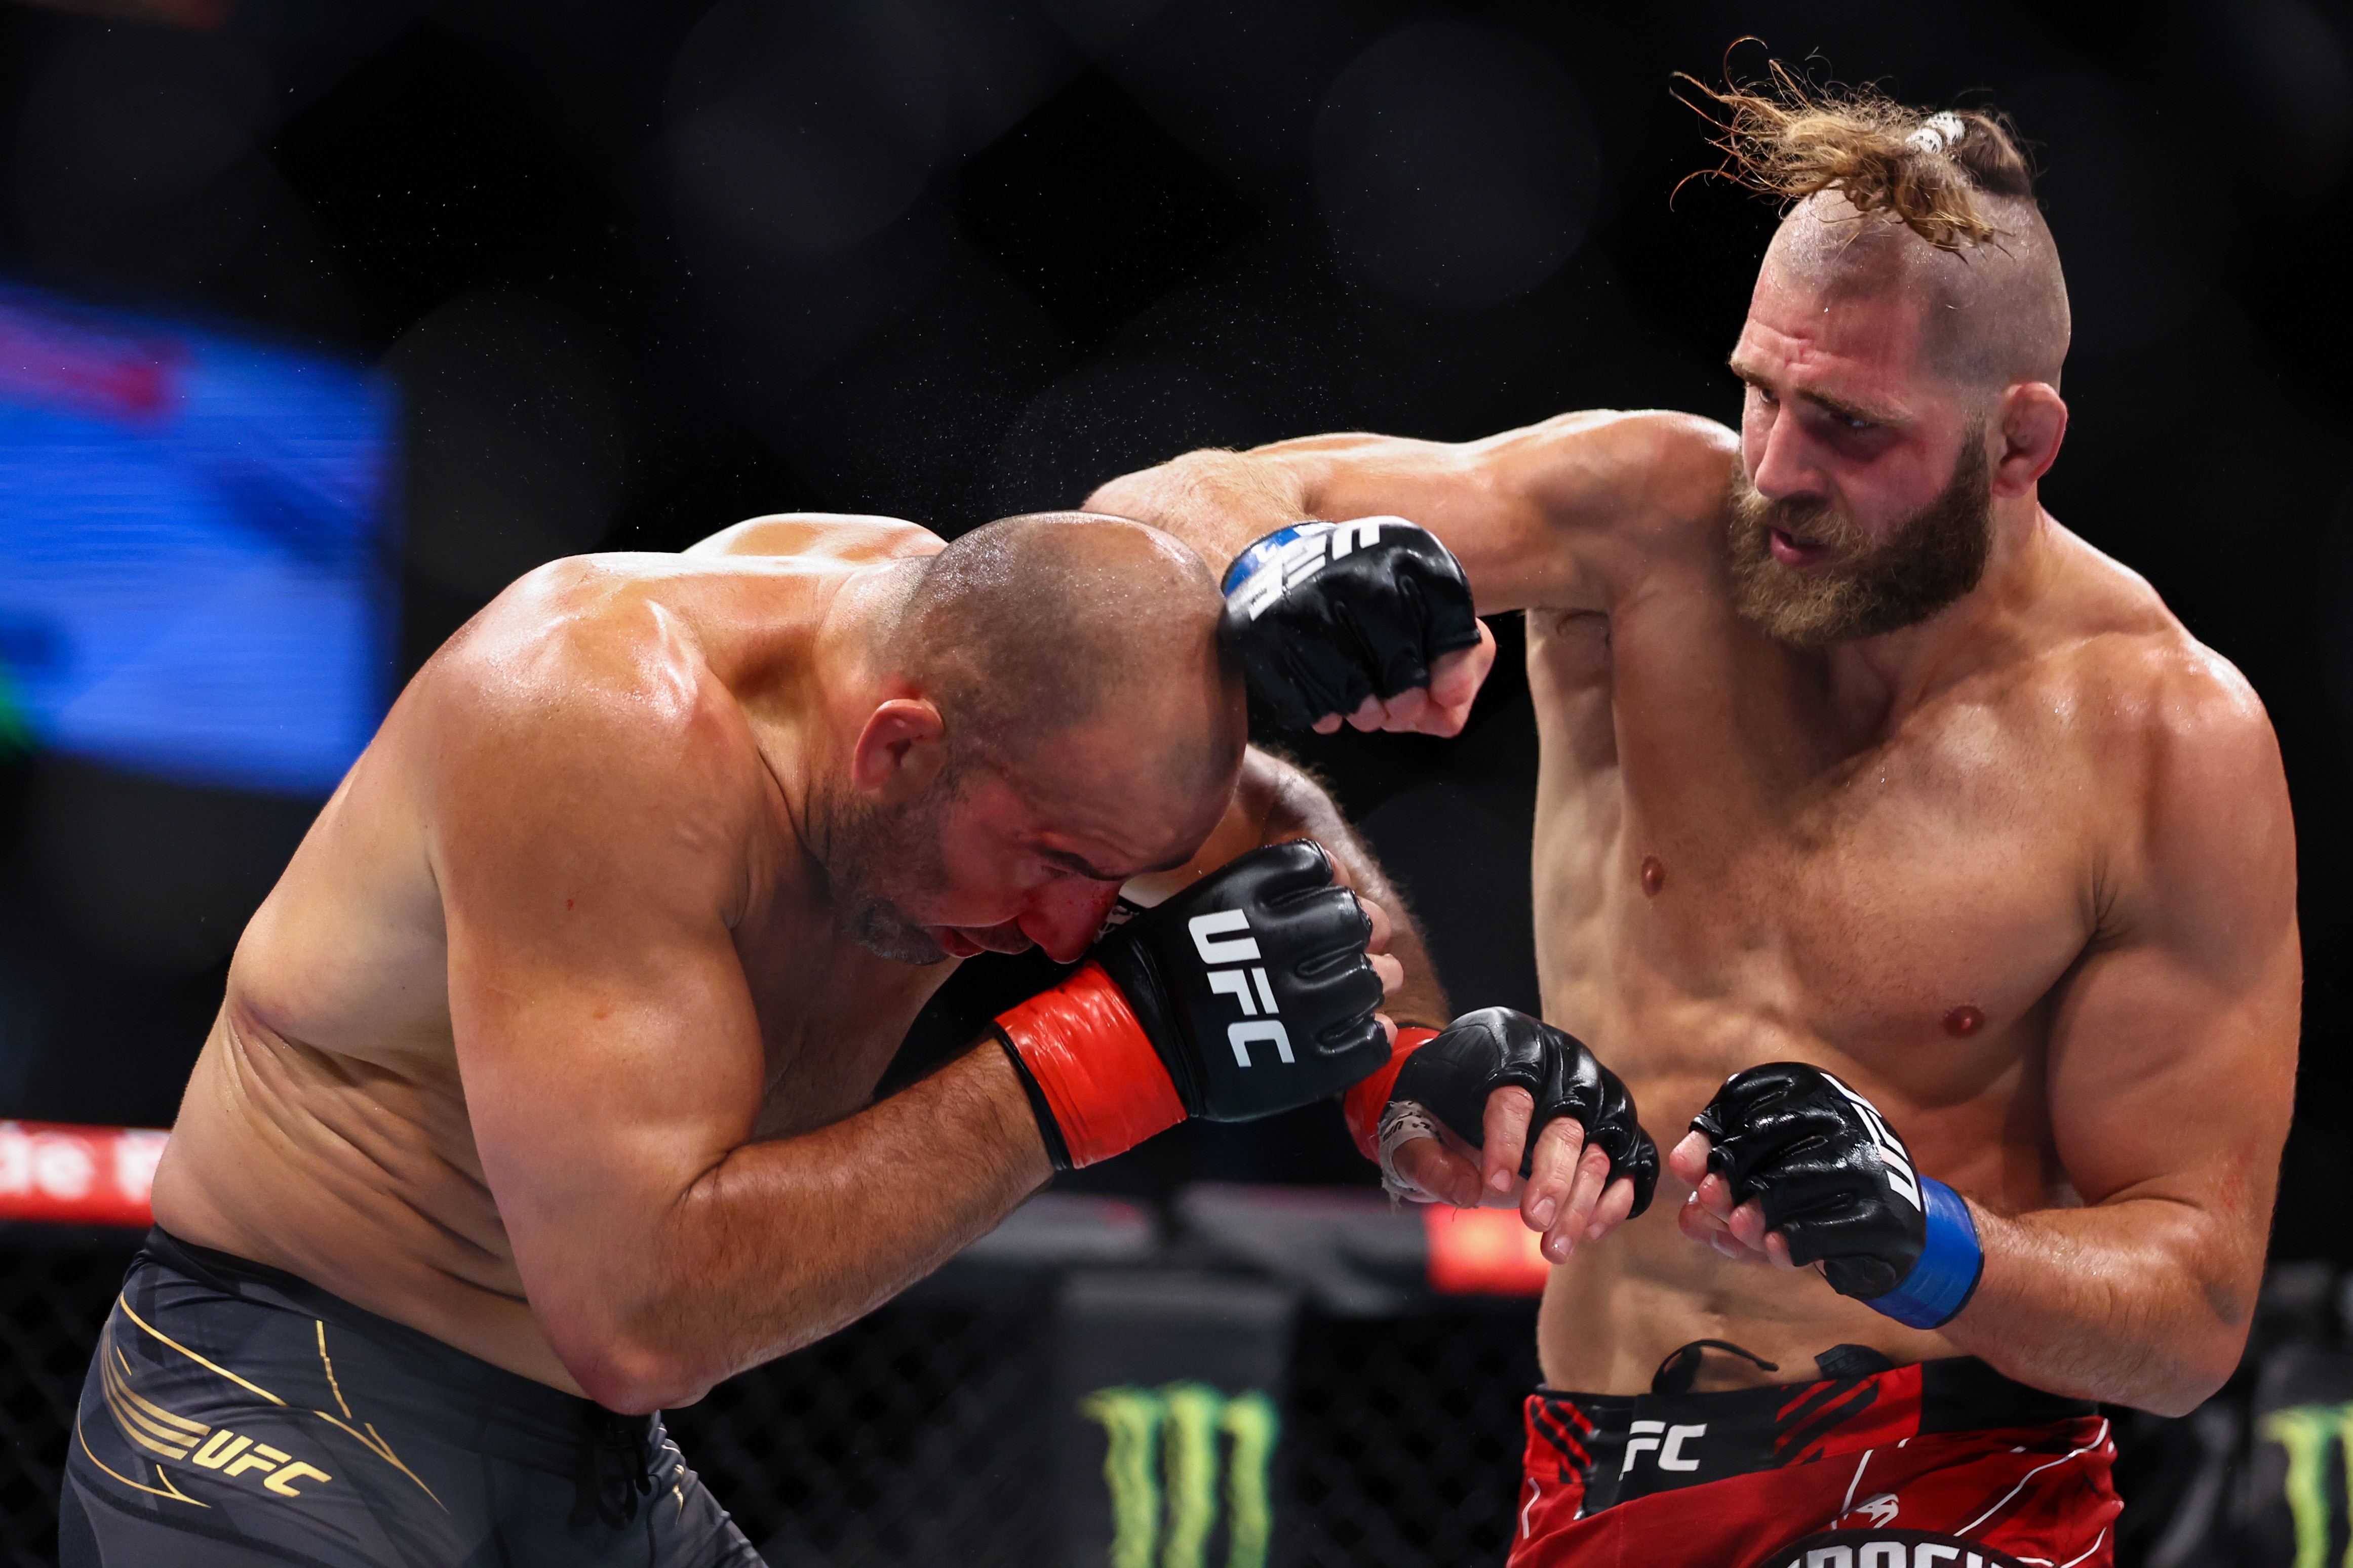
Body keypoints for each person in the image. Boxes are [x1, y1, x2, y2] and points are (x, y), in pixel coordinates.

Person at [1088, 68, 2299, 1568]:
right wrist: (1265, 566)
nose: (1778, 471)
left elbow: (2191, 1316)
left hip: (1948, 1474)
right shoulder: (1646, 528)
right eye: (1760, 390)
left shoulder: (2163, 737)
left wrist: (1931, 1243)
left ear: (2020, 440)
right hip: (1597, 1468)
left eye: (1850, 424)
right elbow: (1149, 515)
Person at [62, 509, 1439, 1566]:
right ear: (896, 748)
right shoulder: (594, 714)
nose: (1075, 929)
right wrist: (1100, 1060)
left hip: (593, 1465)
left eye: (1119, 871)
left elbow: (1270, 838)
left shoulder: (1014, 696)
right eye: (1054, 860)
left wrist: (1411, 1075)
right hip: (284, 1397)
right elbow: (639, 1317)